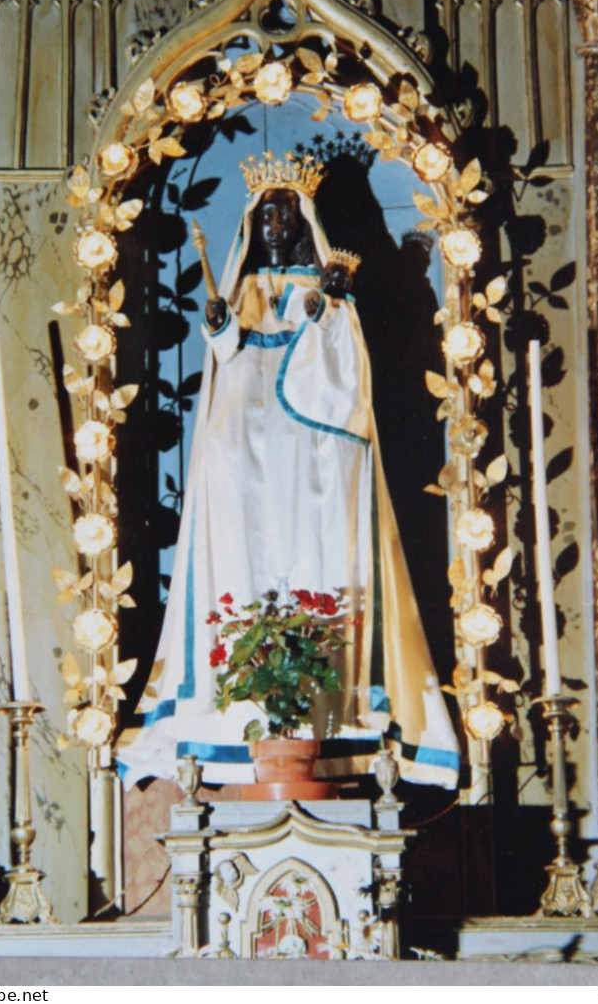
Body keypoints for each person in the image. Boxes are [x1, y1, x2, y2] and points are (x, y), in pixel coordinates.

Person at [116, 153, 459, 789]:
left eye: (285, 211)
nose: (275, 221)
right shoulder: (244, 287)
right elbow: (226, 357)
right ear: (252, 223)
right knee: (241, 549)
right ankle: (231, 715)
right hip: (243, 436)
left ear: (303, 222)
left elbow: (344, 377)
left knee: (317, 550)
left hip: (310, 447)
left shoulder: (324, 288)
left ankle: (337, 720)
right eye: (265, 212)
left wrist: (328, 309)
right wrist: (219, 328)